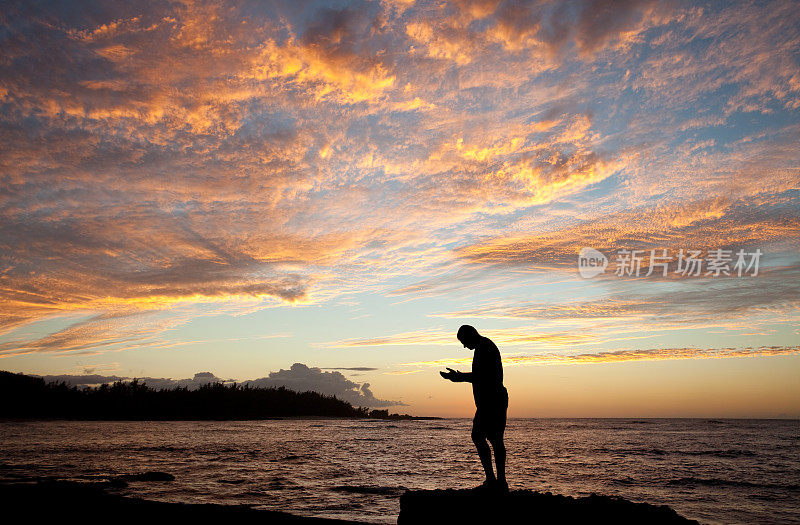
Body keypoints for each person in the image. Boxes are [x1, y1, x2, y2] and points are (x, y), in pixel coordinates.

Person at [440, 325, 508, 491]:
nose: (463, 346)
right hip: (493, 400)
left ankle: (494, 481)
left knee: (480, 436)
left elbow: (482, 377)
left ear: (470, 336)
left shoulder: (484, 348)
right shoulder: (484, 347)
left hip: (492, 401)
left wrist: (459, 377)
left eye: (463, 342)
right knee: (494, 439)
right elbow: (481, 376)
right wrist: (460, 377)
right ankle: (498, 482)